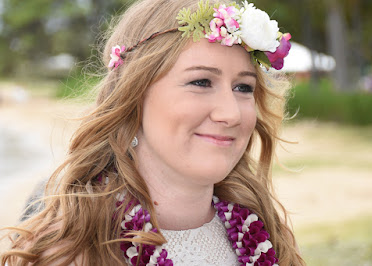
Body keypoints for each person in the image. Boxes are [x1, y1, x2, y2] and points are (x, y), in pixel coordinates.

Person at [1, 0, 304, 265]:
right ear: (134, 96)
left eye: (243, 87)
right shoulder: (72, 252)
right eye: (201, 82)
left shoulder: (268, 236)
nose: (231, 114)